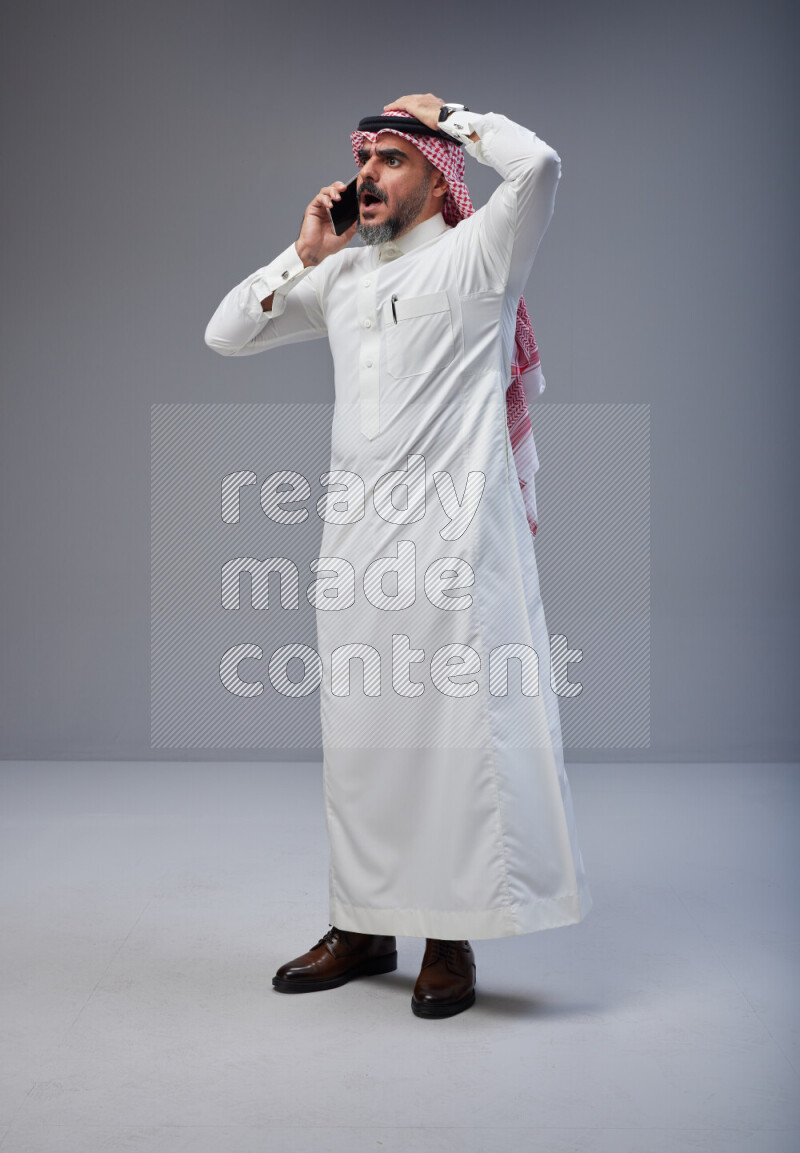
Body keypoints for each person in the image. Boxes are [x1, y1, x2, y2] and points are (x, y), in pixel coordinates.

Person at [205, 92, 593, 1019]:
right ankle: (364, 924)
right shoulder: (339, 277)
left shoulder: (479, 254)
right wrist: (302, 254)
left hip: (457, 547)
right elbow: (225, 333)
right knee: (362, 742)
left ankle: (448, 940)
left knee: (452, 741)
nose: (366, 175)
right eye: (363, 160)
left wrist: (454, 114)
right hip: (356, 548)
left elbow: (537, 168)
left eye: (390, 159)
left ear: (436, 176)